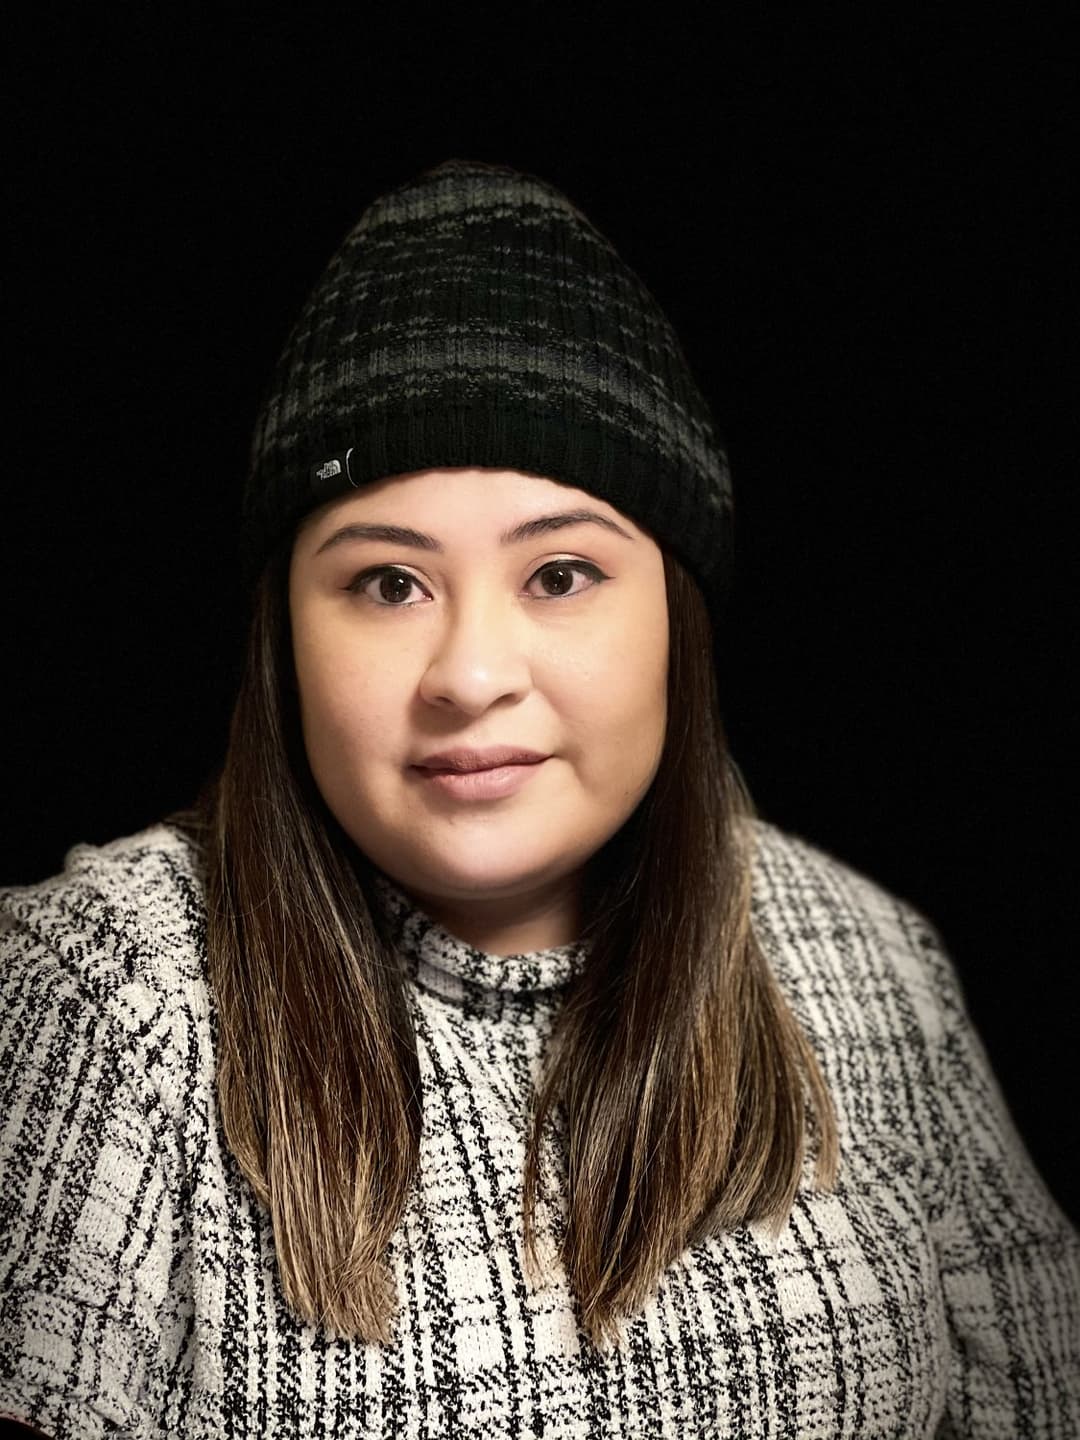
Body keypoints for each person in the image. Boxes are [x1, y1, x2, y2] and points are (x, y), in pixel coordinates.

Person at [1, 157, 1077, 1439]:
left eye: (561, 573)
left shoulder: (871, 963)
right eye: (388, 584)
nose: (468, 674)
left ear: (675, 616)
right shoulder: (104, 994)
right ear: (284, 638)